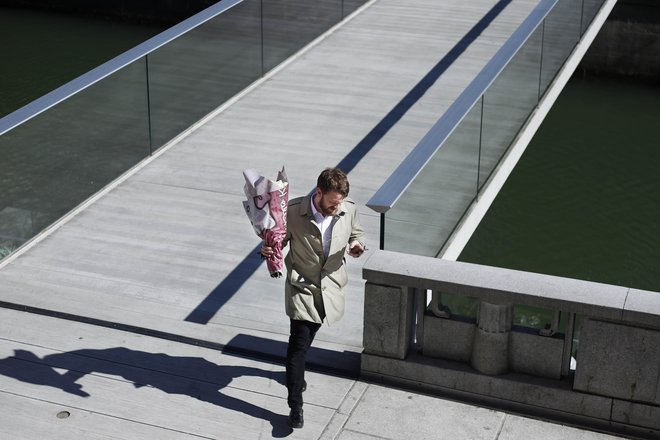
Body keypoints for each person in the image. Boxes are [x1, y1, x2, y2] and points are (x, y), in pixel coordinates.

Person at [261, 167, 366, 429]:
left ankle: (295, 375)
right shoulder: (294, 212)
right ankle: (295, 405)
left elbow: (356, 232)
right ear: (318, 193)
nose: (336, 207)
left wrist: (357, 246)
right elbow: (276, 243)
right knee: (297, 345)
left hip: (330, 286)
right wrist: (266, 250)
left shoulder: (348, 208)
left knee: (306, 340)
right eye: (332, 203)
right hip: (302, 286)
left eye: (340, 202)